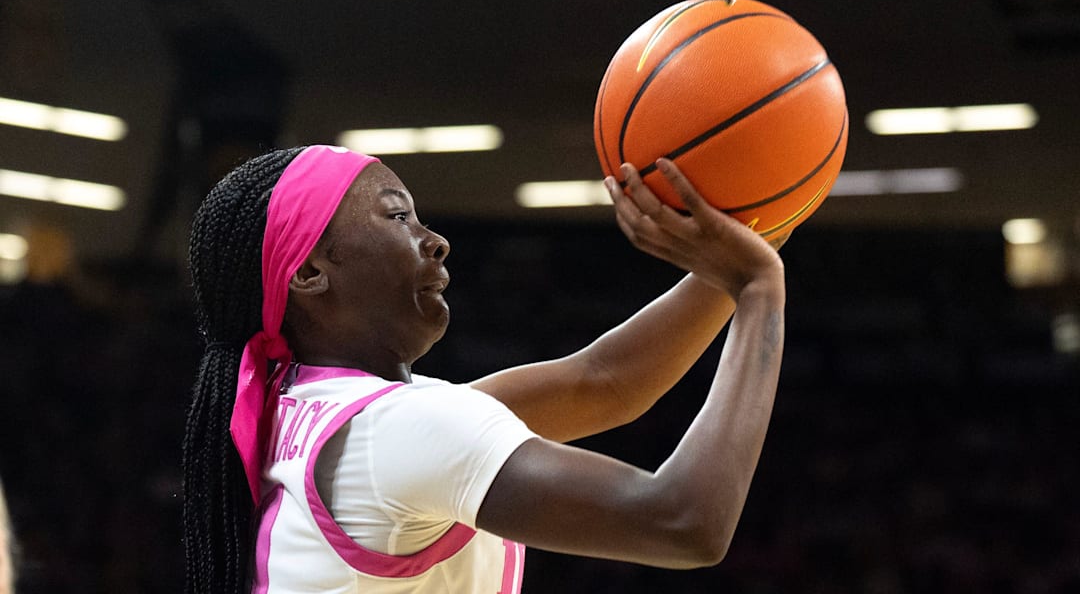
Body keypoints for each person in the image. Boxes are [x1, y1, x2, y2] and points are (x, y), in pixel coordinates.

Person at [183, 144, 786, 593]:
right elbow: (683, 521)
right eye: (397, 218)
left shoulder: (310, 409)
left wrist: (759, 230)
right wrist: (759, 291)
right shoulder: (401, 429)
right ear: (310, 272)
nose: (435, 240)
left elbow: (605, 381)